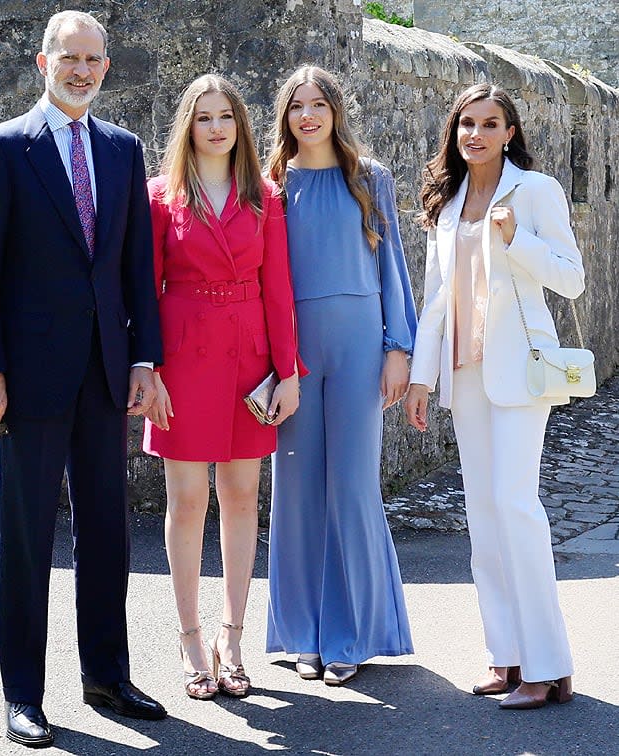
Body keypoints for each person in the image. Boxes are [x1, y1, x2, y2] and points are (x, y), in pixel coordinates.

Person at [0, 11, 167, 748]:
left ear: (107, 67)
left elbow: (137, 266)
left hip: (108, 372)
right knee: (27, 535)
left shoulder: (123, 150)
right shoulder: (3, 148)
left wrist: (145, 359)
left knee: (109, 531)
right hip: (30, 377)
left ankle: (107, 674)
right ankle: (24, 696)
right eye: (69, 58)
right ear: (44, 63)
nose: (82, 70)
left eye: (93, 59)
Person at [405, 83, 582, 709]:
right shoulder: (448, 203)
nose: (475, 134)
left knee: (515, 505)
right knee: (482, 513)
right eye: (465, 124)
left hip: (522, 371)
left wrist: (518, 241)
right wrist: (423, 377)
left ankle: (548, 663)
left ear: (510, 132)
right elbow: (434, 298)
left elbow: (572, 278)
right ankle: (505, 654)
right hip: (465, 374)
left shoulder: (534, 192)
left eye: (489, 123)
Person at [143, 74, 302, 700]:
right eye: (204, 118)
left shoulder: (265, 196)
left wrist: (287, 373)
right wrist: (147, 367)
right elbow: (145, 290)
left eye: (227, 118)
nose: (216, 128)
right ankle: (189, 638)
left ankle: (232, 637)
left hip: (249, 361)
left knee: (241, 497)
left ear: (240, 127)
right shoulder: (160, 198)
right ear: (189, 127)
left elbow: (279, 289)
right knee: (186, 502)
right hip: (181, 359)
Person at [265, 65, 416, 686]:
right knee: (297, 489)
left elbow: (394, 267)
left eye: (318, 104)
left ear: (335, 111)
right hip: (293, 348)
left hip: (359, 344)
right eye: (296, 105)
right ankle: (304, 633)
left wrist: (398, 348)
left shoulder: (368, 178)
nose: (308, 115)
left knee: (352, 486)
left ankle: (352, 632)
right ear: (284, 116)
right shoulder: (271, 184)